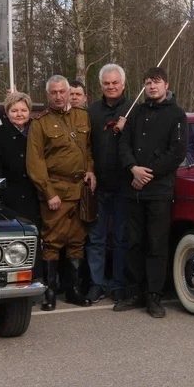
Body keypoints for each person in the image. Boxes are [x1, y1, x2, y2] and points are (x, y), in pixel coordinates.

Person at [114, 67, 187, 318]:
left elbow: (177, 152)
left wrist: (147, 174)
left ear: (166, 85)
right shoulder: (137, 113)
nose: (152, 87)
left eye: (156, 82)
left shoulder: (177, 115)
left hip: (159, 191)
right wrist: (133, 168)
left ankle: (154, 296)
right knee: (134, 242)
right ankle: (135, 291)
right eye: (147, 83)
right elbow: (123, 144)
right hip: (133, 189)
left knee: (156, 244)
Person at [27, 74, 97, 310]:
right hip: (56, 191)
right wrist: (48, 193)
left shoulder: (83, 116)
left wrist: (90, 170)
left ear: (69, 92)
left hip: (80, 190)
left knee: (77, 241)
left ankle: (75, 291)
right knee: (52, 242)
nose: (58, 96)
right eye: (53, 92)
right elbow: (35, 162)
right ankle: (49, 294)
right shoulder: (40, 123)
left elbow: (88, 149)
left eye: (62, 92)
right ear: (47, 95)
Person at [86, 64, 131, 306]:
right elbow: (86, 146)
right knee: (96, 238)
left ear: (123, 84)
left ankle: (119, 284)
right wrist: (90, 170)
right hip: (99, 186)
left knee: (121, 238)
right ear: (101, 85)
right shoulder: (91, 111)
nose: (111, 87)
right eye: (107, 83)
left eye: (115, 83)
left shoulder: (134, 109)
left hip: (125, 185)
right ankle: (97, 284)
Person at [0, 91, 40, 224]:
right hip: (10, 196)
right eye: (14, 110)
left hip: (35, 194)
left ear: (29, 111)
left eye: (23, 110)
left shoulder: (37, 130)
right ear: (7, 113)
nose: (19, 114)